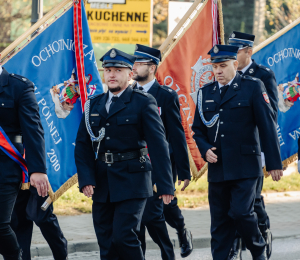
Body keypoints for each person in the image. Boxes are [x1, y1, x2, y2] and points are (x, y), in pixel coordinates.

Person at [74, 48, 174, 260]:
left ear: (130, 74)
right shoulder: (94, 104)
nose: (111, 74)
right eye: (108, 69)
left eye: (118, 70)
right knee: (106, 241)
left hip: (133, 181)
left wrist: (165, 185)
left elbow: (159, 146)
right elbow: (82, 145)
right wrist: (86, 179)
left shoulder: (143, 102)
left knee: (124, 236)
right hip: (102, 183)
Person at [192, 45, 283, 260]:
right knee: (220, 221)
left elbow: (267, 125)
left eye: (223, 66)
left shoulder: (252, 87)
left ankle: (258, 247)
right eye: (215, 67)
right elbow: (197, 129)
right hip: (219, 167)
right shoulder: (206, 92)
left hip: (246, 166)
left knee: (242, 212)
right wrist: (205, 150)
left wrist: (274, 163)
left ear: (235, 64)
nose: (218, 71)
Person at [132, 44, 193, 259]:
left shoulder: (165, 96)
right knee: (142, 217)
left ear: (151, 68)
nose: (133, 67)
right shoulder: (128, 94)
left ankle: (179, 235)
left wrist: (184, 171)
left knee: (153, 214)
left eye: (139, 64)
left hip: (161, 163)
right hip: (136, 166)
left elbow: (177, 134)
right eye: (134, 63)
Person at [228, 31, 279, 260]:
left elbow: (271, 115)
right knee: (230, 197)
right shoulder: (226, 74)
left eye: (236, 50)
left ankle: (262, 230)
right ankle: (235, 239)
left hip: (253, 147)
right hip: (229, 149)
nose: (233, 54)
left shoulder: (263, 75)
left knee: (253, 197)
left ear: (248, 51)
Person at [0, 65, 49, 260]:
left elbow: (33, 130)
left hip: (5, 168)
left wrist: (37, 169)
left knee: (1, 225)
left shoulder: (19, 86)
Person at [9, 187, 68, 260]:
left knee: (42, 218)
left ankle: (61, 252)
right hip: (18, 179)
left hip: (40, 180)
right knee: (18, 221)